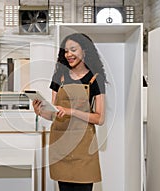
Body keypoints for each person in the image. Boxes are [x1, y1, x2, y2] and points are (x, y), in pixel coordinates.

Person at [32, 33, 107, 191]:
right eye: (65, 51)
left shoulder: (95, 79)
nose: (68, 55)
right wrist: (40, 111)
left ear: (84, 51)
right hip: (61, 145)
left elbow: (99, 119)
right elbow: (54, 114)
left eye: (73, 49)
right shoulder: (60, 76)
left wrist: (71, 111)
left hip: (83, 148)